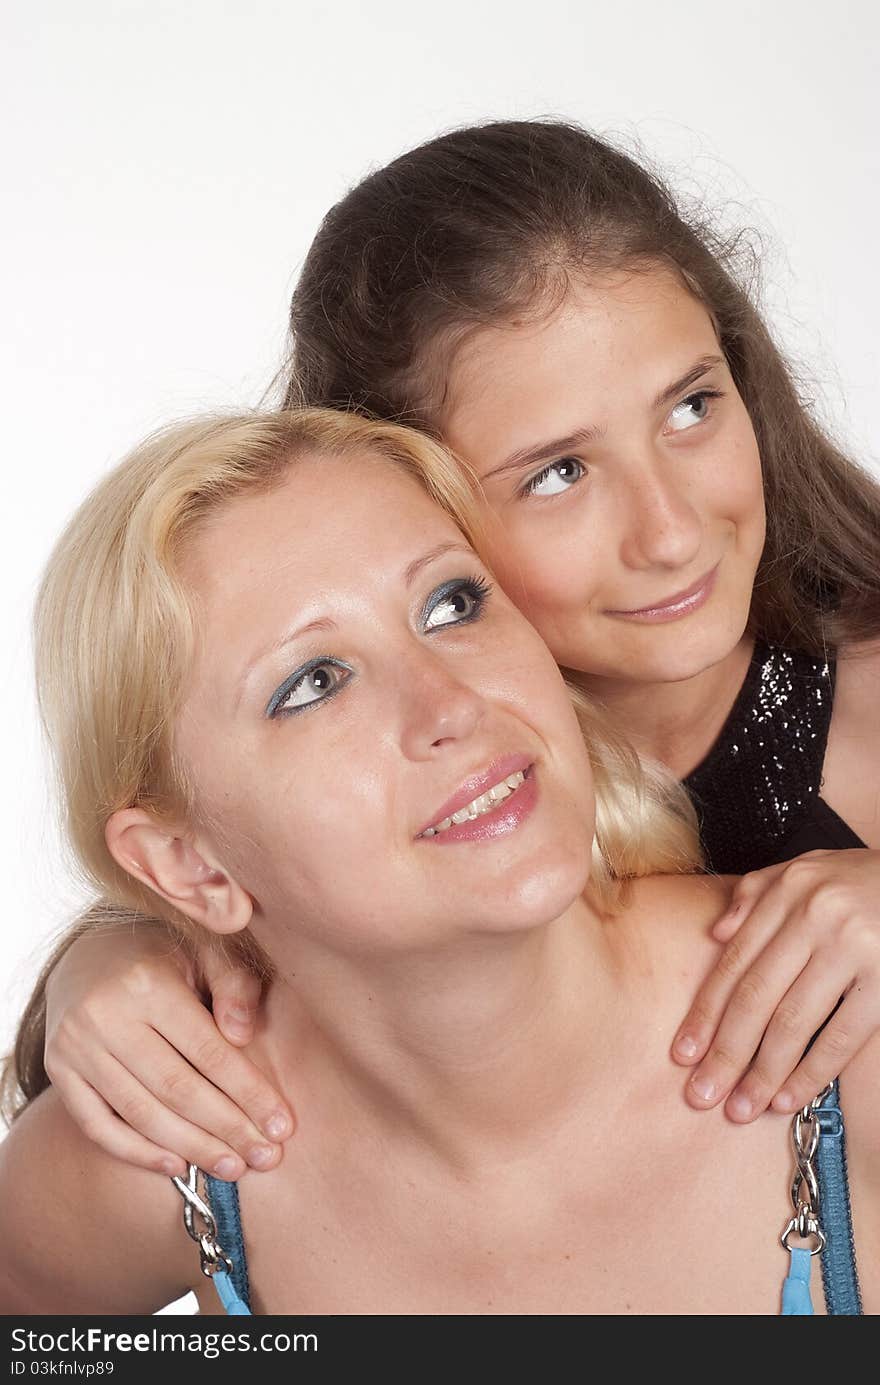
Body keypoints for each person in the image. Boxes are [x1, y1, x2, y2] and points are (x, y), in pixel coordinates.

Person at [19, 119, 880, 1185]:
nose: (668, 529)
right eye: (558, 472)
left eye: (693, 405)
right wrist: (99, 970)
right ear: (397, 492)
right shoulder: (404, 791)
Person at [1, 408, 874, 1316]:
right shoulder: (171, 1155)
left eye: (452, 604)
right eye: (314, 683)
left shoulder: (846, 1036)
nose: (449, 701)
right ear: (189, 867)